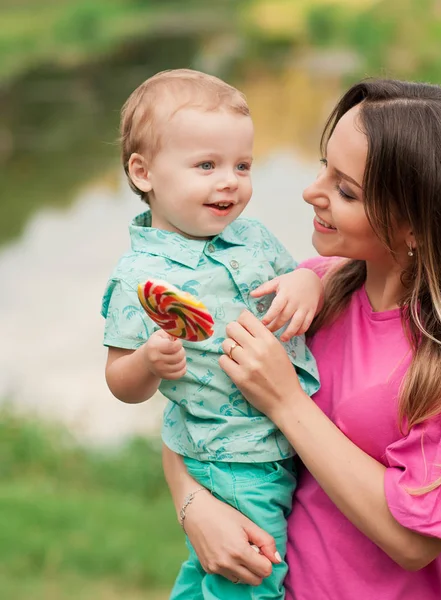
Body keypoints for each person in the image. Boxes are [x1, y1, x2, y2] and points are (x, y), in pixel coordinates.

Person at [162, 78, 441, 599]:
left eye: (345, 189)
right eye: (324, 166)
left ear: (417, 224)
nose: (311, 191)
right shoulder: (312, 288)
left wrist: (284, 400)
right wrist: (193, 505)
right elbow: (196, 401)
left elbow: (414, 541)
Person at [100, 69, 324, 599]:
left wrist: (307, 283)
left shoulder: (253, 237)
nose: (230, 181)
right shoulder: (140, 278)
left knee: (209, 580)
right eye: (206, 165)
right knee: (252, 573)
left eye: (241, 165)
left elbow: (297, 285)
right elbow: (119, 381)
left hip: (286, 440)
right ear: (144, 171)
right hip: (230, 456)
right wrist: (150, 362)